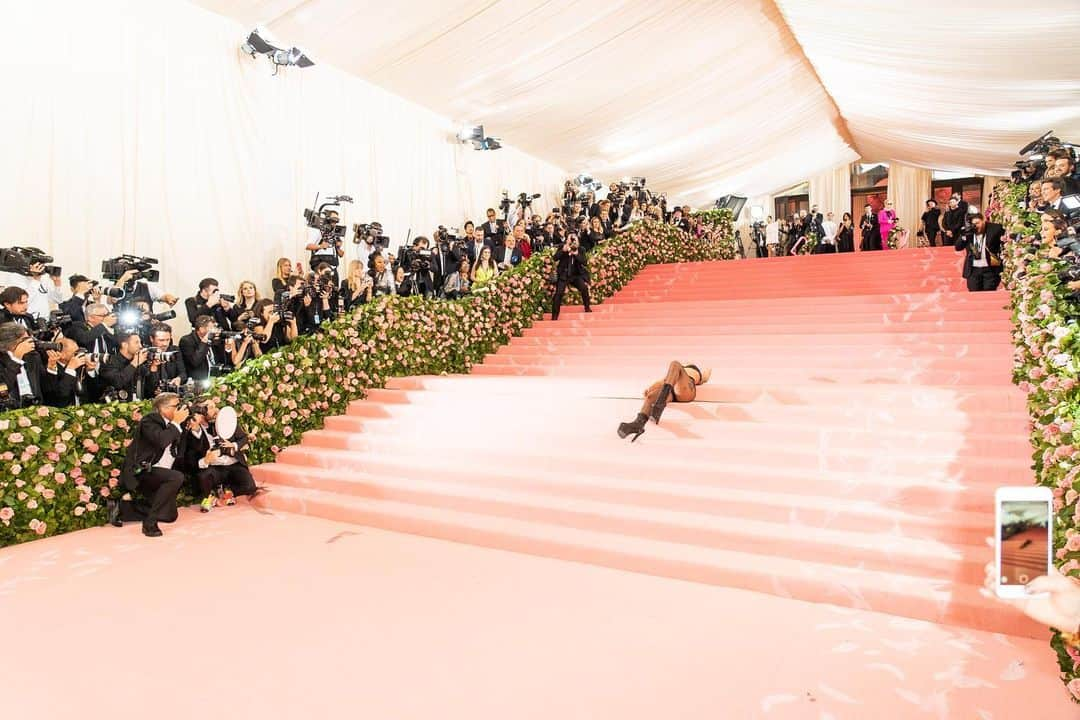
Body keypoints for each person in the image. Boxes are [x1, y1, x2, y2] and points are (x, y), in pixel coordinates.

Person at [116, 392, 189, 537]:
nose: (180, 409)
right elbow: (162, 441)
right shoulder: (149, 421)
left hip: (161, 475)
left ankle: (123, 509)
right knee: (176, 477)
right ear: (163, 408)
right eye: (176, 406)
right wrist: (175, 424)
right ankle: (149, 523)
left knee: (170, 516)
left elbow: (179, 453)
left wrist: (188, 428)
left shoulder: (175, 425)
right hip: (143, 472)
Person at [178, 397, 258, 512]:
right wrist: (205, 460)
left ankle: (227, 489)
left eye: (215, 406)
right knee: (203, 476)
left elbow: (243, 437)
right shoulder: (193, 430)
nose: (216, 410)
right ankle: (211, 494)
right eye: (210, 408)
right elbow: (190, 458)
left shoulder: (226, 420)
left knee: (249, 487)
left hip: (233, 463)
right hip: (214, 468)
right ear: (201, 412)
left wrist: (234, 445)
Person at [617, 362, 713, 441]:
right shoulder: (673, 372)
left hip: (685, 390)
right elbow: (662, 381)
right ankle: (638, 423)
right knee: (651, 396)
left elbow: (705, 377)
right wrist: (650, 389)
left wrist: (704, 374)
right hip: (669, 391)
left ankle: (660, 404)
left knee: (675, 363)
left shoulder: (686, 371)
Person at [0, 321, 50, 409]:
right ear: (12, 343)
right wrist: (16, 358)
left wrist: (51, 366)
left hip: (36, 408)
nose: (30, 342)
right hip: (9, 411)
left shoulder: (33, 356)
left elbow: (46, 388)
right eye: (25, 339)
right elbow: (4, 387)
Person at [100, 330, 159, 401]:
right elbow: (118, 382)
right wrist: (134, 363)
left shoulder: (139, 363)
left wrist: (153, 367)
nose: (140, 346)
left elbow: (150, 388)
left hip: (139, 405)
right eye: (136, 343)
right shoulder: (109, 362)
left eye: (140, 342)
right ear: (124, 344)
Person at [954, 214, 1004, 292]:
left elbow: (1004, 241)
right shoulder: (969, 232)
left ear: (983, 221)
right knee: (974, 293)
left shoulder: (994, 229)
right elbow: (958, 247)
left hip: (990, 269)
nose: (976, 226)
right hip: (973, 270)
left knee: (989, 293)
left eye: (978, 223)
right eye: (973, 224)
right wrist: (963, 236)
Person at [550, 234, 591, 321]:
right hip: (564, 275)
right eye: (570, 239)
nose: (572, 241)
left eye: (574, 239)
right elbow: (555, 258)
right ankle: (554, 316)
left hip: (576, 275)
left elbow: (584, 262)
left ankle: (587, 307)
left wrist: (576, 254)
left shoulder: (581, 249)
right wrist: (563, 250)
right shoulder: (562, 246)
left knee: (584, 288)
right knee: (559, 293)